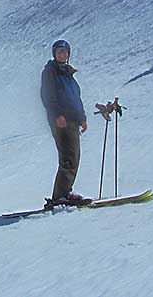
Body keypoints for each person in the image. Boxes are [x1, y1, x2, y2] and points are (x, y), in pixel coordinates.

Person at [40, 40, 92, 208]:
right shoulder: (51, 72)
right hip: (61, 121)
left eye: (65, 51)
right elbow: (47, 96)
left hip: (72, 121)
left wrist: (82, 118)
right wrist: (57, 115)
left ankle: (64, 192)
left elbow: (75, 99)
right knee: (68, 157)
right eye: (59, 51)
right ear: (54, 54)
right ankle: (61, 195)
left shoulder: (68, 74)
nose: (62, 54)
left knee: (73, 157)